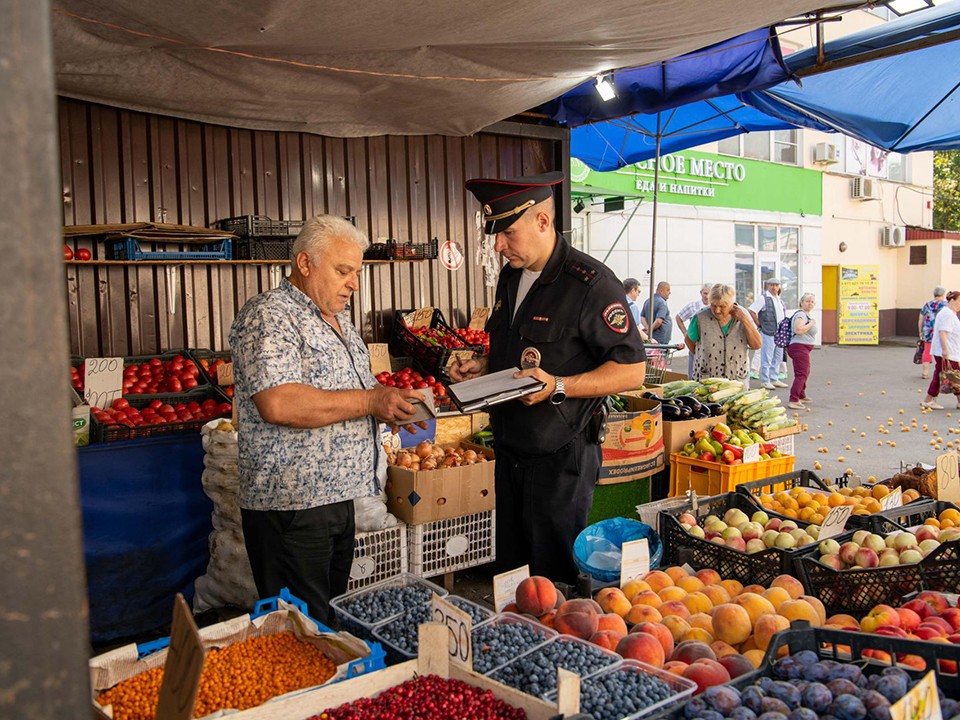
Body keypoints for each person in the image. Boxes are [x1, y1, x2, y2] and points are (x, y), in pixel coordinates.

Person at [450, 171, 647, 585]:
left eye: (507, 232)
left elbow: (631, 370)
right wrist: (486, 363)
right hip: (510, 450)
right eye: (495, 234)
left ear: (543, 221)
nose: (498, 245)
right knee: (511, 576)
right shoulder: (510, 276)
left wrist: (559, 386)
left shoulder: (590, 284)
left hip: (562, 458)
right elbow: (521, 347)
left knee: (552, 581)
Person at [229, 215, 425, 624]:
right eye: (343, 270)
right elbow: (279, 403)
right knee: (298, 628)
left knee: (327, 621)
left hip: (340, 500)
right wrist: (372, 402)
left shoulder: (339, 321)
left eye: (357, 271)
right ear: (305, 263)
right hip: (292, 505)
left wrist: (394, 407)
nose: (354, 282)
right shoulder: (270, 315)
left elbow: (359, 395)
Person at [685, 284, 762, 383]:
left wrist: (745, 320)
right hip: (707, 380)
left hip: (737, 380)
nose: (717, 310)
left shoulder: (743, 315)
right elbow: (689, 341)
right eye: (713, 305)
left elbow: (757, 344)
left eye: (722, 306)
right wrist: (703, 356)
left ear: (732, 304)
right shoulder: (700, 317)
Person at [922, 290, 960, 410]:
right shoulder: (947, 313)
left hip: (950, 350)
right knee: (947, 375)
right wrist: (945, 351)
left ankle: (930, 399)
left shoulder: (951, 313)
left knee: (951, 375)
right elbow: (943, 332)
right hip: (947, 351)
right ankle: (928, 399)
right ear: (952, 300)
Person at [749, 278, 788, 390]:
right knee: (767, 356)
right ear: (767, 286)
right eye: (772, 285)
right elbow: (752, 310)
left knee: (778, 357)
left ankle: (774, 378)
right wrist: (759, 324)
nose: (774, 287)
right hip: (768, 332)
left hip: (779, 332)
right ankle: (765, 380)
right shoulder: (763, 298)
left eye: (776, 285)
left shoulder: (779, 299)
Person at [786, 293, 818, 410]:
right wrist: (811, 323)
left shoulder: (806, 315)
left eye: (812, 302)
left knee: (805, 371)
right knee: (801, 373)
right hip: (799, 347)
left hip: (803, 348)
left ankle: (801, 395)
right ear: (801, 303)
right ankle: (793, 399)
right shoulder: (801, 315)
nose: (810, 303)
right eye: (807, 301)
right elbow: (798, 329)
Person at [676, 283, 711, 378]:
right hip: (695, 341)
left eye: (709, 294)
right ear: (701, 293)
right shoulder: (693, 306)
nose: (707, 296)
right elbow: (679, 317)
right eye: (705, 293)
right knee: (693, 367)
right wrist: (685, 332)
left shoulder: (714, 307)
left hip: (709, 343)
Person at [919, 286, 947, 380]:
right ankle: (944, 373)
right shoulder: (945, 305)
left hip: (928, 330)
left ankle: (925, 372)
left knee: (927, 350)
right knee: (943, 350)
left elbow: (921, 319)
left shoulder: (927, 305)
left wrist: (920, 332)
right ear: (943, 294)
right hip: (941, 330)